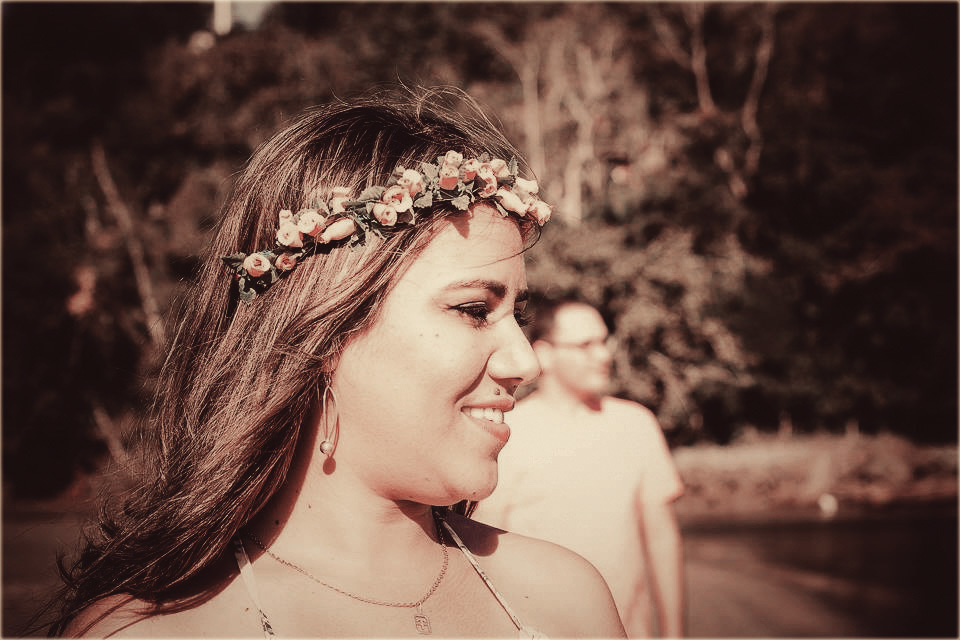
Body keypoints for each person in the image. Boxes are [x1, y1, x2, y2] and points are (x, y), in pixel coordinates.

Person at [48, 87, 626, 638]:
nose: (525, 362)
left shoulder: (566, 603)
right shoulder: (145, 632)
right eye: (474, 309)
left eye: (517, 314)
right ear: (322, 330)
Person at [474, 299, 686, 638]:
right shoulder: (504, 432)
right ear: (544, 354)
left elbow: (662, 540)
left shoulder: (636, 424)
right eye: (585, 345)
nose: (604, 355)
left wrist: (674, 635)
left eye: (604, 341)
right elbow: (485, 555)